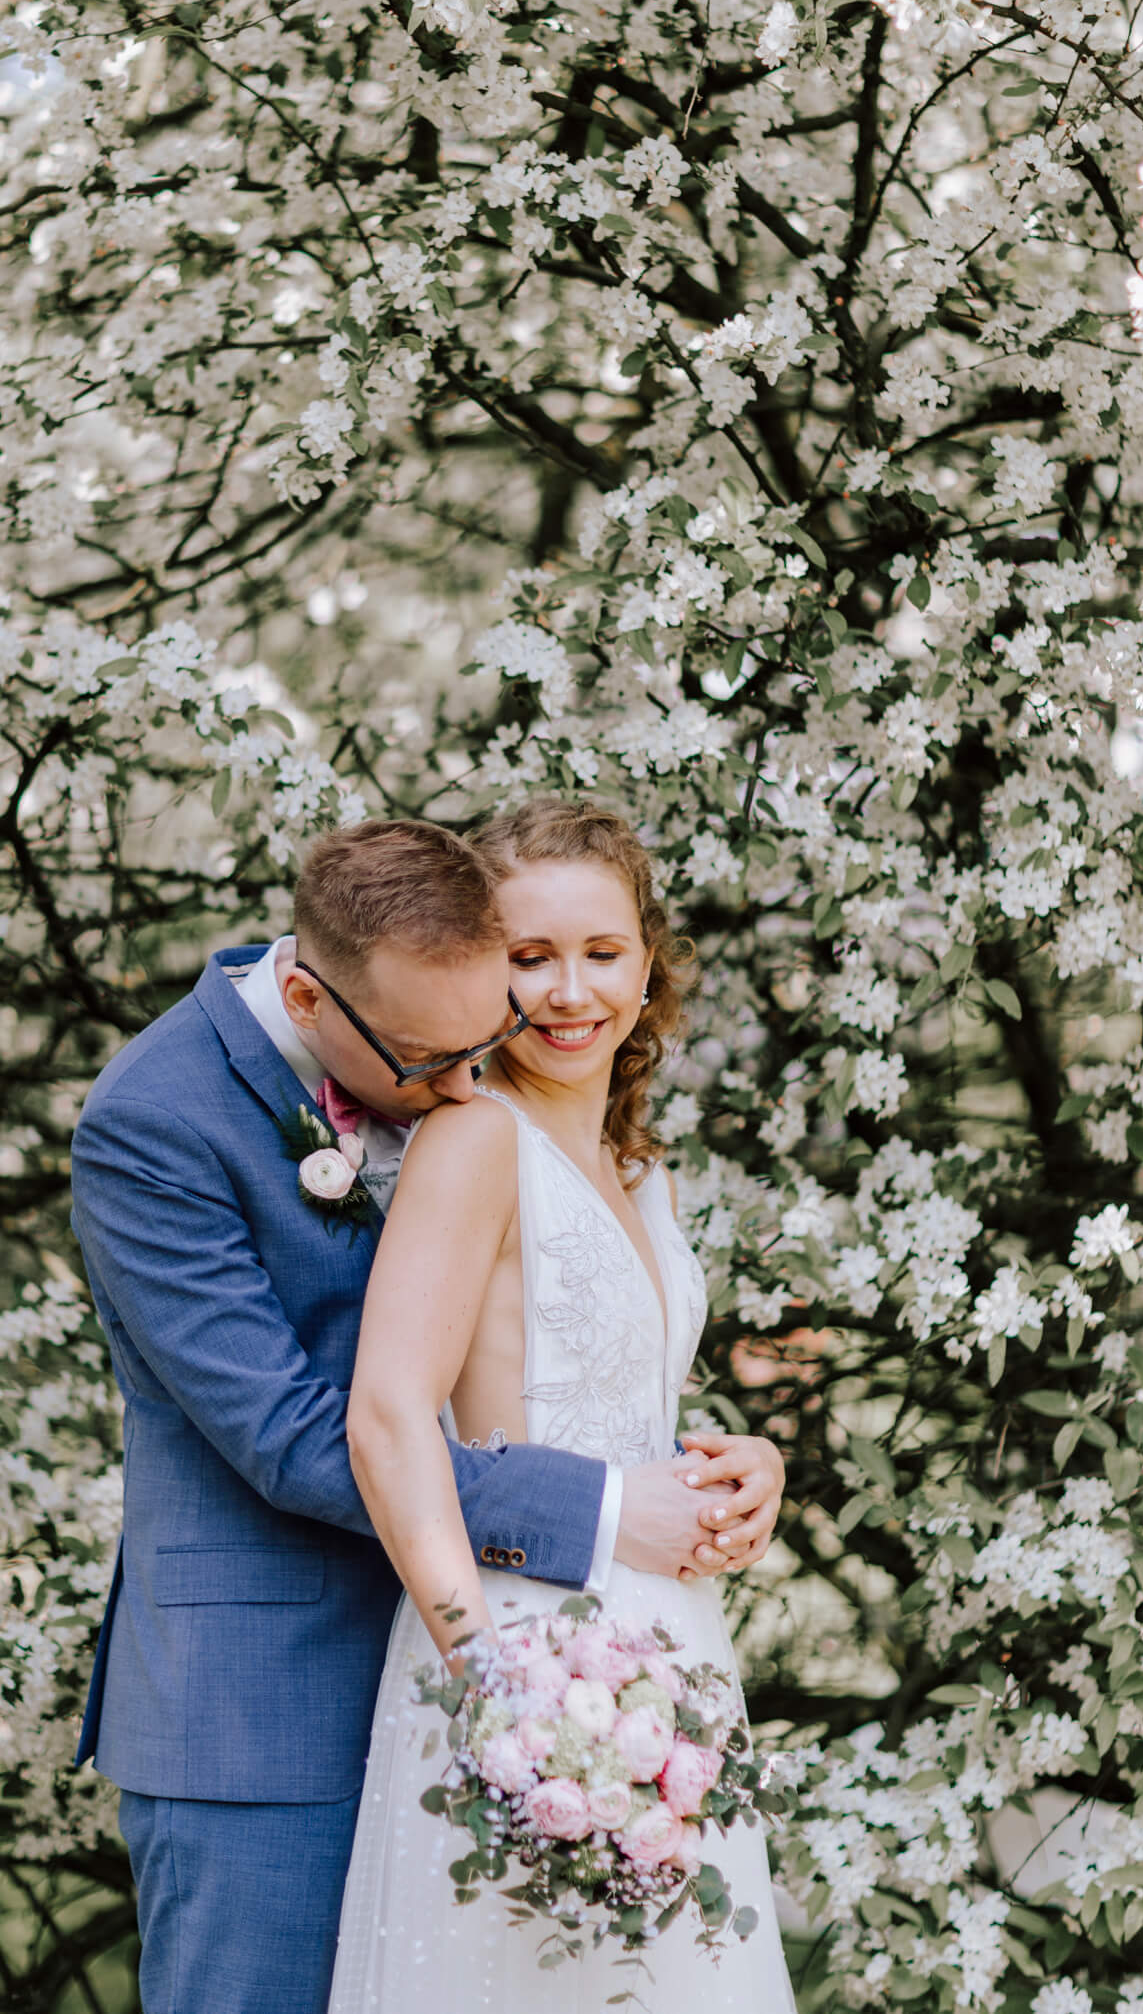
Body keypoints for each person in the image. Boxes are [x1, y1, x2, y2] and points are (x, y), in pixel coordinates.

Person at [68, 816, 786, 2014]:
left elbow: (550, 1347)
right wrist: (608, 1511)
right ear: (307, 998)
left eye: (479, 1044)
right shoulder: (156, 1124)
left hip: (552, 1666)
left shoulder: (443, 1014)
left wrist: (726, 1464)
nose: (464, 1076)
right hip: (274, 1706)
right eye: (432, 1059)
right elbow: (305, 1434)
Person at [331, 798, 796, 2013]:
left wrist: (747, 1469)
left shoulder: (645, 1173)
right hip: (531, 1667)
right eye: (530, 957)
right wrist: (490, 1681)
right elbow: (387, 1418)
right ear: (486, 970)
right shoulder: (474, 1141)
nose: (568, 991)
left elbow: (639, 1412)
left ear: (649, 962)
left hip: (673, 1666)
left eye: (601, 952)